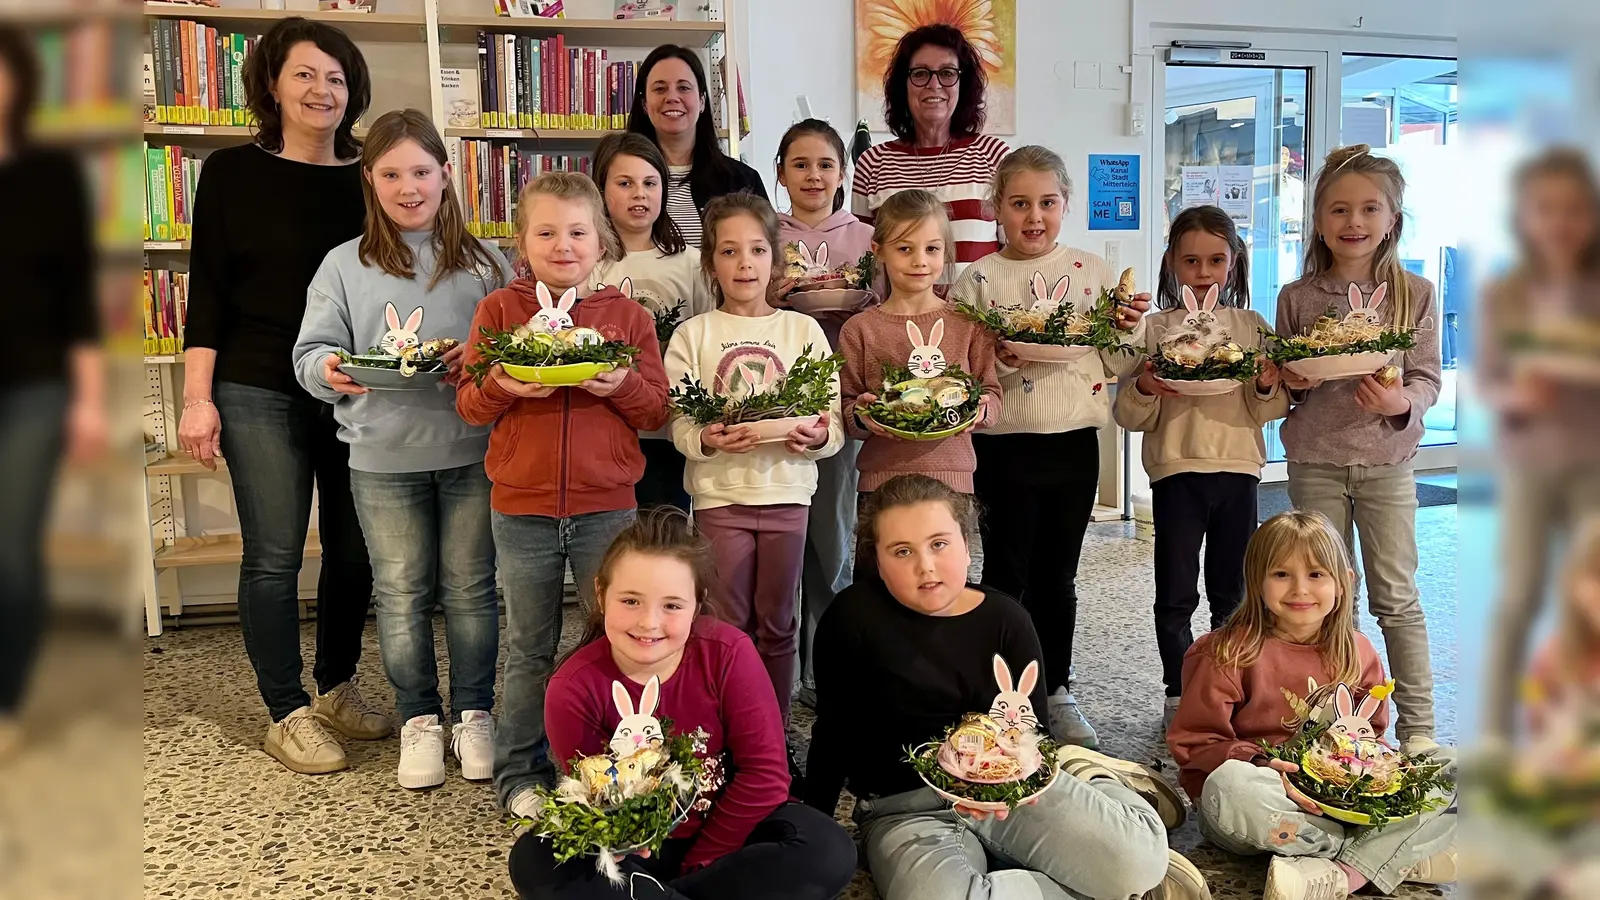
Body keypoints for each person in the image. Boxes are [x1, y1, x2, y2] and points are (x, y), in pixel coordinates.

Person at [806, 474, 1208, 900]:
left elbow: (1030, 734)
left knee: (1138, 860)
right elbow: (832, 735)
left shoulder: (1005, 619)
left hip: (1010, 791)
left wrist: (1015, 781)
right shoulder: (851, 619)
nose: (925, 565)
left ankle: (1094, 778)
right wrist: (810, 829)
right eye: (902, 551)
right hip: (904, 810)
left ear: (966, 542)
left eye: (939, 544)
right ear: (878, 561)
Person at [175, 17, 391, 774]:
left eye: (335, 78)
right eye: (304, 75)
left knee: (355, 547)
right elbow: (207, 300)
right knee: (272, 553)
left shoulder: (373, 174)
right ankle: (284, 709)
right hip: (255, 383)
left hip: (351, 385)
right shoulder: (232, 173)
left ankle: (335, 687)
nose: (321, 90)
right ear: (272, 84)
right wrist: (197, 399)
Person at [292, 109, 511, 785]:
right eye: (391, 173)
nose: (407, 186)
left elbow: (510, 349)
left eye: (421, 171)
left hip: (472, 453)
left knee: (474, 591)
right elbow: (312, 352)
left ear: (446, 176)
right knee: (401, 591)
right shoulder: (342, 265)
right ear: (370, 180)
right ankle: (419, 716)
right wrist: (328, 370)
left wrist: (479, 361)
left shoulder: (483, 262)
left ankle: (475, 710)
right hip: (381, 460)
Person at [455, 172, 670, 814]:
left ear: (600, 239)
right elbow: (469, 404)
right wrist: (503, 387)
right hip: (520, 508)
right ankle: (520, 773)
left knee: (617, 640)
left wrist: (619, 388)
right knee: (528, 644)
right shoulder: (498, 312)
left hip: (607, 506)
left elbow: (656, 409)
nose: (563, 244)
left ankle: (612, 765)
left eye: (577, 231)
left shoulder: (627, 318)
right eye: (545, 232)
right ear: (522, 240)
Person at [507, 509, 857, 900]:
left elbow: (765, 775)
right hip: (637, 850)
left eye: (672, 605)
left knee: (828, 849)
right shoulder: (572, 687)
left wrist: (702, 862)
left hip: (732, 834)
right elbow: (598, 803)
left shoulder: (728, 653)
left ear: (697, 605)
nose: (649, 623)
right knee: (534, 858)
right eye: (630, 601)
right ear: (601, 595)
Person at [950, 146, 1149, 748]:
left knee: (1058, 577)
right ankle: (1001, 693)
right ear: (996, 209)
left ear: (1066, 205)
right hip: (1003, 446)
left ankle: (1056, 691)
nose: (1033, 216)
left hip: (1073, 444)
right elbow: (958, 371)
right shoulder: (977, 281)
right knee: (1004, 574)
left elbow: (1117, 361)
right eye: (1018, 203)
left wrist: (1128, 326)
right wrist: (1002, 362)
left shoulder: (1094, 276)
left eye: (1047, 203)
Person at [1168, 510, 1456, 900]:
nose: (1300, 589)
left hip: (1346, 801)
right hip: (1266, 799)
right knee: (1230, 786)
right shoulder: (1222, 653)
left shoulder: (1358, 651)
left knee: (1456, 770)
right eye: (1281, 574)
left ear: (1344, 583)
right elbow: (1195, 746)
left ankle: (1348, 869)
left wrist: (1380, 769)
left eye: (1317, 575)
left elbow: (1372, 738)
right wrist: (1260, 763)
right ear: (1256, 582)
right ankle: (1391, 855)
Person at [1275, 144, 1442, 752]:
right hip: (1315, 459)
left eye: (1370, 208)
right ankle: (1330, 724)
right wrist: (1295, 377)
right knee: (1319, 599)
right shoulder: (1298, 297)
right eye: (1339, 209)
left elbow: (1426, 375)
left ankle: (1419, 731)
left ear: (1393, 217)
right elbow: (1286, 379)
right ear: (1319, 219)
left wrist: (1403, 406)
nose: (1354, 222)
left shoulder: (1415, 293)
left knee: (1396, 597)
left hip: (1388, 465)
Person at [663, 193, 843, 726]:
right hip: (720, 497)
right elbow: (681, 424)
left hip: (787, 493)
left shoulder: (801, 331)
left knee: (779, 622)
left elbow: (828, 421)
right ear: (710, 263)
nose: (745, 263)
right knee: (727, 622)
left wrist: (813, 439)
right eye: (729, 251)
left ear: (775, 259)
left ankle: (773, 729)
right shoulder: (694, 334)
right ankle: (728, 728)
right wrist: (708, 441)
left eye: (758, 250)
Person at [1114, 204, 1288, 729]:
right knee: (1174, 592)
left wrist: (1262, 383)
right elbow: (1127, 413)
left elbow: (1272, 408)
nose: (1204, 271)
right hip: (1175, 473)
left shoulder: (1252, 328)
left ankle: (1227, 690)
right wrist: (1145, 387)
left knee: (1232, 593)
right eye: (1192, 261)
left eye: (1215, 260)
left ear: (1233, 262)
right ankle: (1176, 690)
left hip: (1238, 471)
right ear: (1172, 263)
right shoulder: (1155, 330)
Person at [0, 26, 107, 759]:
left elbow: (77, 296)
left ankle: (5, 700)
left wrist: (90, 401)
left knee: (11, 545)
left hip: (34, 385)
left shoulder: (51, 175)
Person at [1478, 148, 1600, 738]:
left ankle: (1580, 740)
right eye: (1544, 208)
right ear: (1523, 217)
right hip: (1531, 464)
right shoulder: (1507, 292)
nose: (1559, 222)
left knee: (1590, 605)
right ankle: (1500, 741)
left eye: (1573, 208)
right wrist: (1517, 396)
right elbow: (1492, 382)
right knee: (1519, 597)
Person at [769, 118, 877, 710]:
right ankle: (781, 662)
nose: (814, 176)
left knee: (832, 539)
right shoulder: (765, 233)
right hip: (776, 403)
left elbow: (884, 307)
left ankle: (824, 664)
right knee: (786, 534)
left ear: (844, 173)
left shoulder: (866, 239)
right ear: (781, 172)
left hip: (840, 400)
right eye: (800, 164)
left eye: (826, 165)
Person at [838, 189, 1002, 507]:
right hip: (881, 482)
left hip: (953, 480)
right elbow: (846, 411)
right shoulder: (859, 329)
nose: (920, 261)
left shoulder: (969, 323)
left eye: (932, 249)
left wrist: (981, 408)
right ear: (879, 249)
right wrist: (862, 413)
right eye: (904, 248)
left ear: (945, 251)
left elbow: (992, 395)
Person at [591, 132, 715, 512]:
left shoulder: (691, 264)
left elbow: (706, 339)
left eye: (650, 183)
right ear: (601, 190)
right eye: (625, 183)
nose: (639, 194)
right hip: (604, 427)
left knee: (666, 539)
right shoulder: (589, 265)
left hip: (670, 429)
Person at [852, 24, 1010, 286]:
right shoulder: (873, 163)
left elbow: (1014, 252)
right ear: (903, 84)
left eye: (947, 73)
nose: (934, 84)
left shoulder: (994, 156)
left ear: (963, 84)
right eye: (921, 73)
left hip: (979, 323)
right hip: (898, 322)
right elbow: (865, 263)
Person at [626, 45, 766, 248]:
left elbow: (768, 256)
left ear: (701, 102)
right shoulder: (618, 182)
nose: (672, 97)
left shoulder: (742, 181)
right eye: (660, 88)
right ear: (645, 105)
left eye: (683, 87)